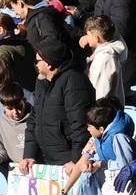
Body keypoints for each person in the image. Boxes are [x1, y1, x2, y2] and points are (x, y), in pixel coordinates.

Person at [20, 36, 93, 170]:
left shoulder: (74, 81)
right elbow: (34, 119)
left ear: (49, 63)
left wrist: (77, 160)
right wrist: (29, 154)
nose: (35, 64)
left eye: (38, 61)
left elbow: (80, 124)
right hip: (46, 159)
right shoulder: (42, 81)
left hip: (68, 161)